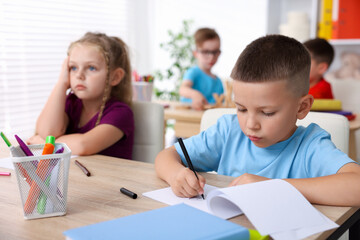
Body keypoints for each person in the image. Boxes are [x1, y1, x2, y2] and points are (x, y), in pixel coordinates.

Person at [155, 35, 360, 206]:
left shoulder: (310, 145)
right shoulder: (229, 131)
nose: (250, 124)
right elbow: (166, 156)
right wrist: (176, 175)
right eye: (241, 108)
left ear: (302, 107)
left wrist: (274, 187)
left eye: (267, 112)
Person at [27, 32, 134, 159]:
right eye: (73, 68)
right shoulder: (72, 103)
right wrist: (62, 83)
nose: (79, 75)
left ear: (115, 77)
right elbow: (47, 132)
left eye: (91, 68)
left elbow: (83, 145)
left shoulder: (121, 113)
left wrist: (45, 145)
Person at [179, 28, 224, 110]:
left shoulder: (218, 82)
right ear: (196, 53)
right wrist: (195, 95)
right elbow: (182, 89)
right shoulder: (193, 72)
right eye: (206, 52)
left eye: (215, 52)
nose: (211, 57)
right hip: (189, 118)